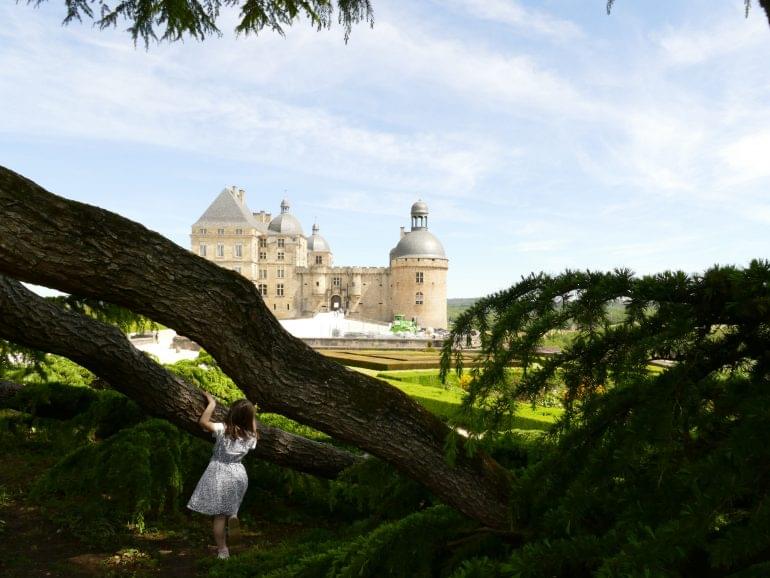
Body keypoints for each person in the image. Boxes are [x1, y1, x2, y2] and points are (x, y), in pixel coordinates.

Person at [187, 391, 258, 559]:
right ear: (249, 419)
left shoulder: (223, 429)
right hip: (239, 474)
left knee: (219, 517)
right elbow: (253, 426)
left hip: (220, 472)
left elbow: (203, 422)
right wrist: (251, 414)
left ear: (232, 413)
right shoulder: (252, 436)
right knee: (231, 507)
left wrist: (212, 404)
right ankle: (233, 515)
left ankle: (223, 551)